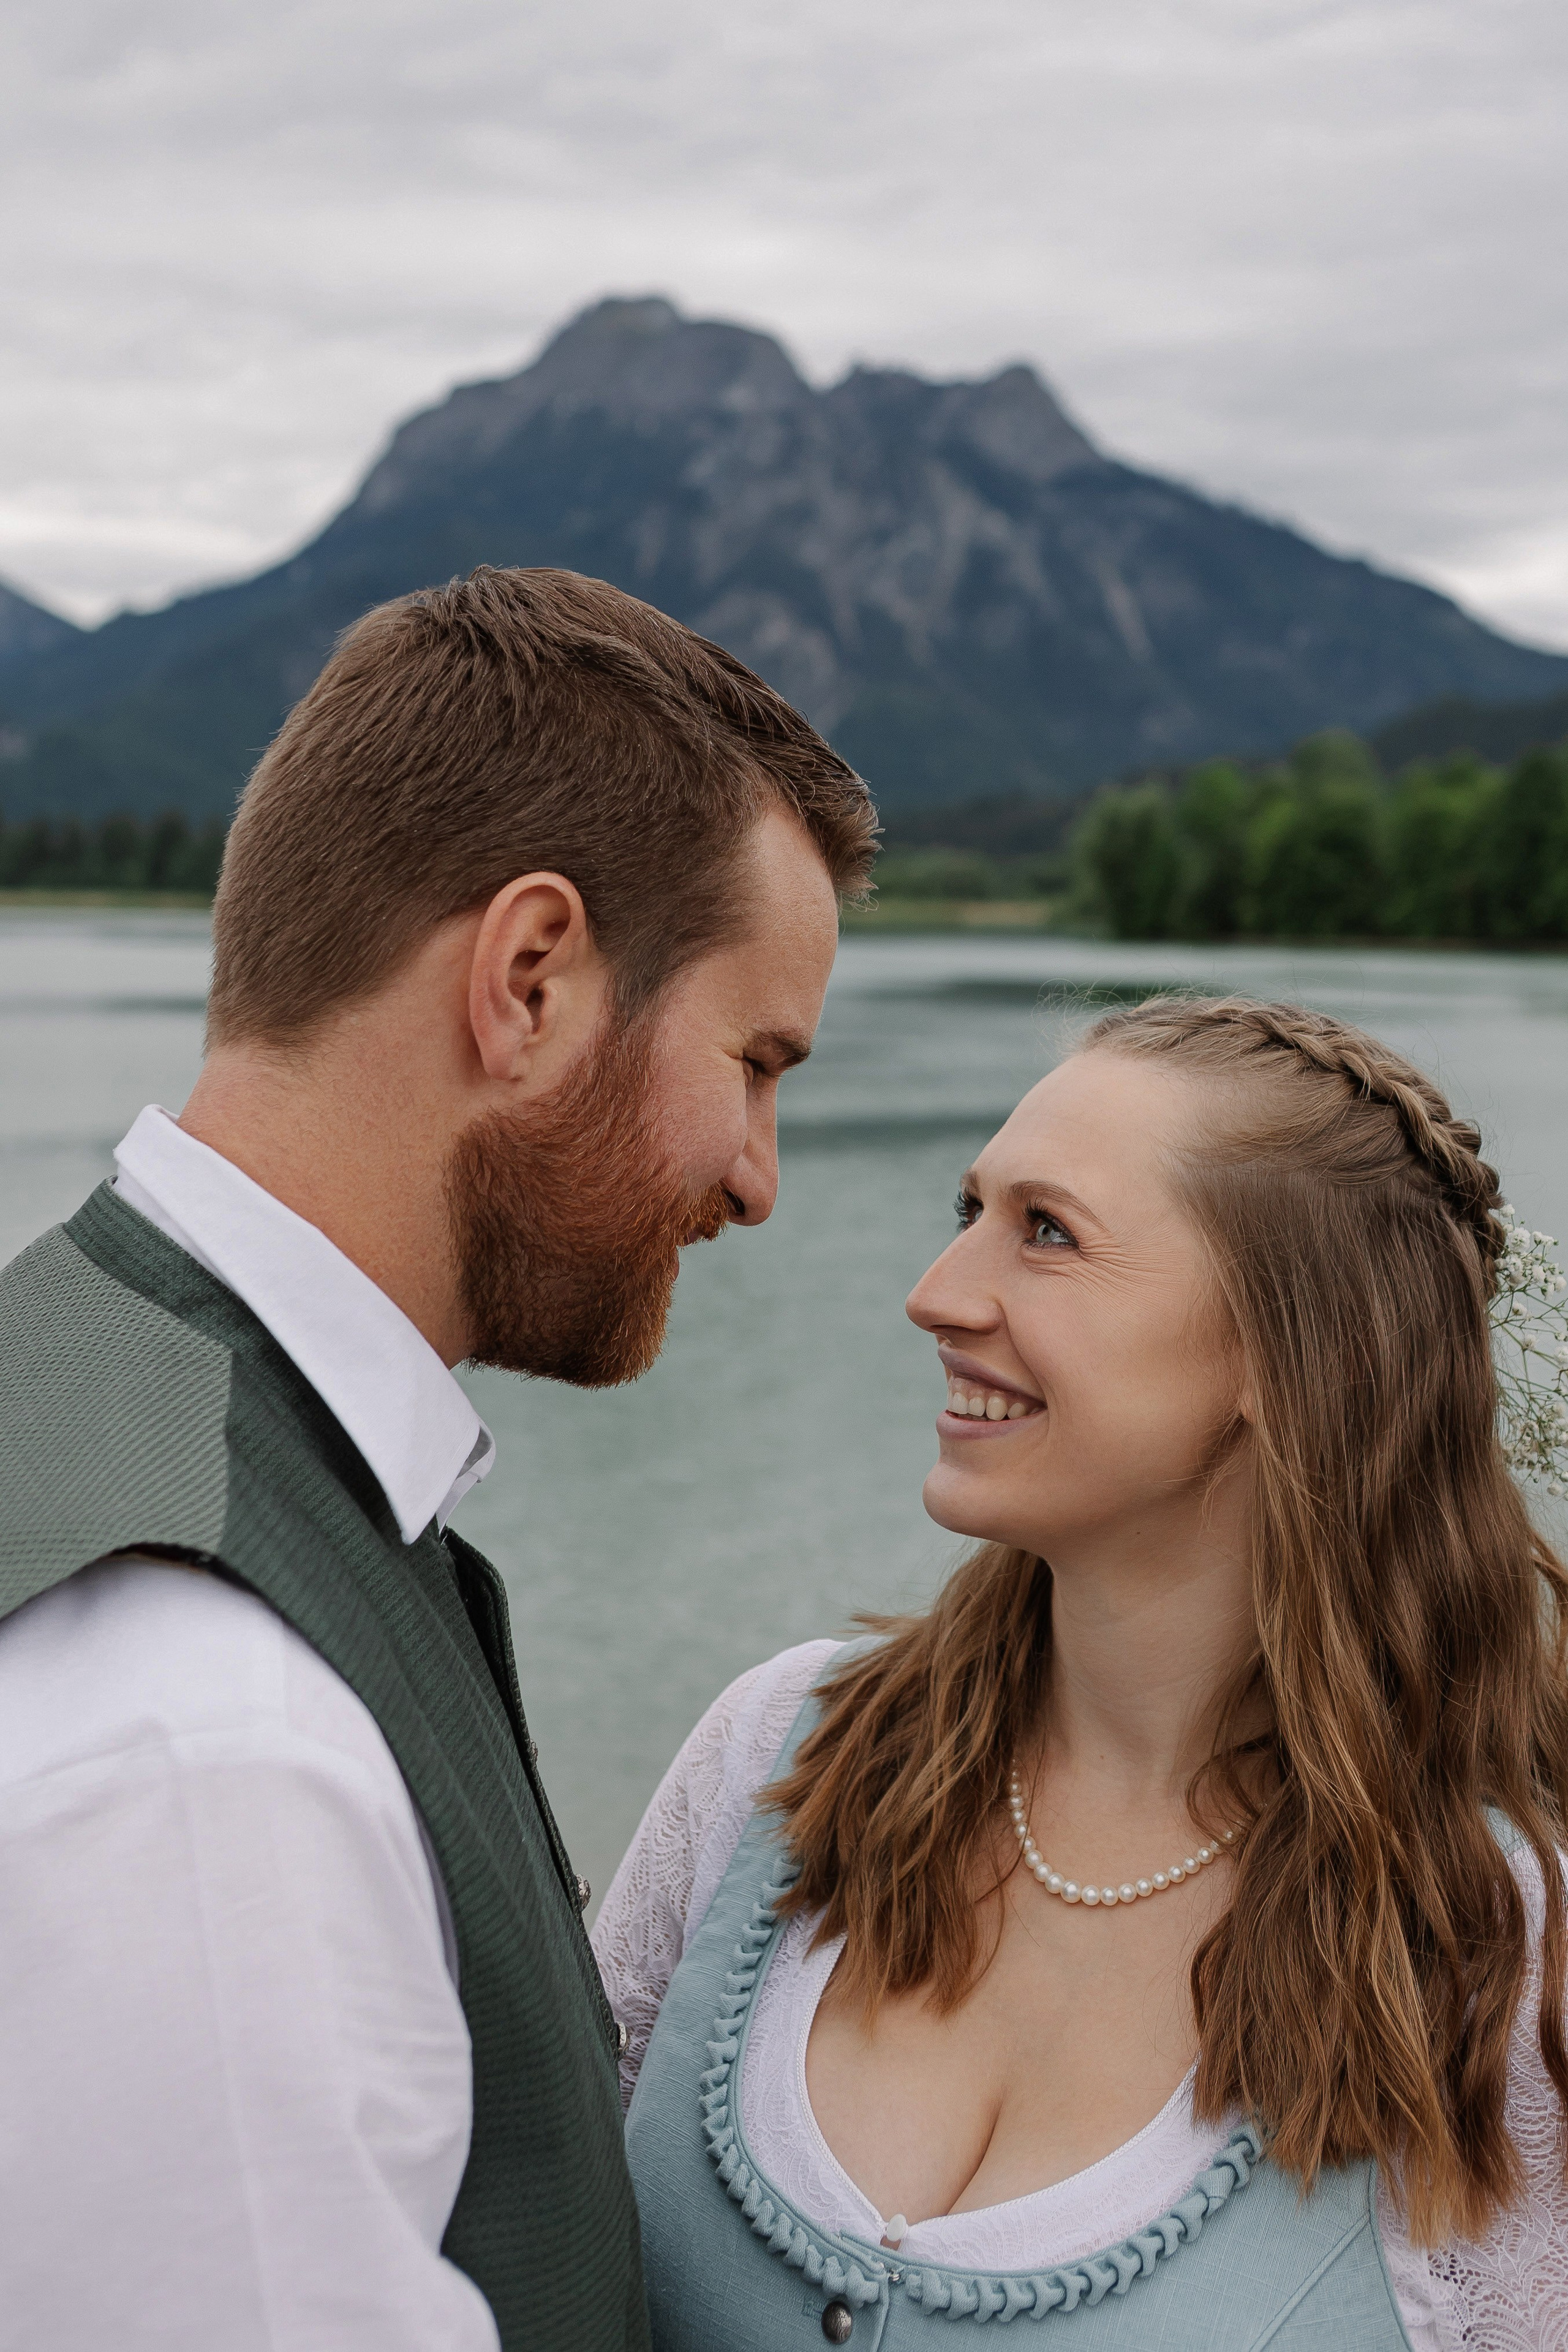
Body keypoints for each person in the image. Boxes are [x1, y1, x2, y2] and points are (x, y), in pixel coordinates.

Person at [0, 565, 875, 2352]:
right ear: (532, 978)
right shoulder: (213, 1739)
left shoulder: (78, 1379)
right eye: (755, 1060)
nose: (758, 1175)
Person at [594, 995, 1568, 2350]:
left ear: (1288, 1356)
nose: (935, 1292)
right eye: (968, 1208)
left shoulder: (1499, 1949)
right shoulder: (772, 1755)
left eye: (1045, 1233)